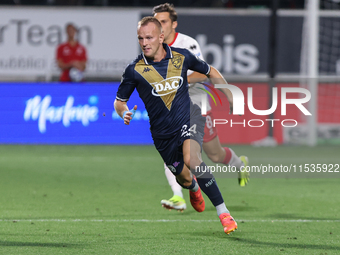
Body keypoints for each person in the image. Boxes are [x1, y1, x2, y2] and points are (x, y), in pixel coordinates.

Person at [114, 16, 237, 235]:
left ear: (161, 37)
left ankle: (223, 212)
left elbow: (210, 71)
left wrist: (229, 94)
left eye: (149, 37)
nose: (144, 43)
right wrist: (123, 113)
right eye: (140, 38)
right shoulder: (134, 70)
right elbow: (119, 101)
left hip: (189, 118)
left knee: (193, 159)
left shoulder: (182, 58)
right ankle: (193, 188)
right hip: (162, 135)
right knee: (184, 177)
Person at [152, 3, 249, 212]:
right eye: (155, 22)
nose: (158, 26)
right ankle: (178, 196)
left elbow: (204, 73)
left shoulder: (188, 43)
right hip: (174, 108)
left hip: (196, 102)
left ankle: (240, 164)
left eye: (163, 22)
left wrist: (178, 81)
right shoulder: (153, 47)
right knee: (173, 150)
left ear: (174, 24)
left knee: (215, 154)